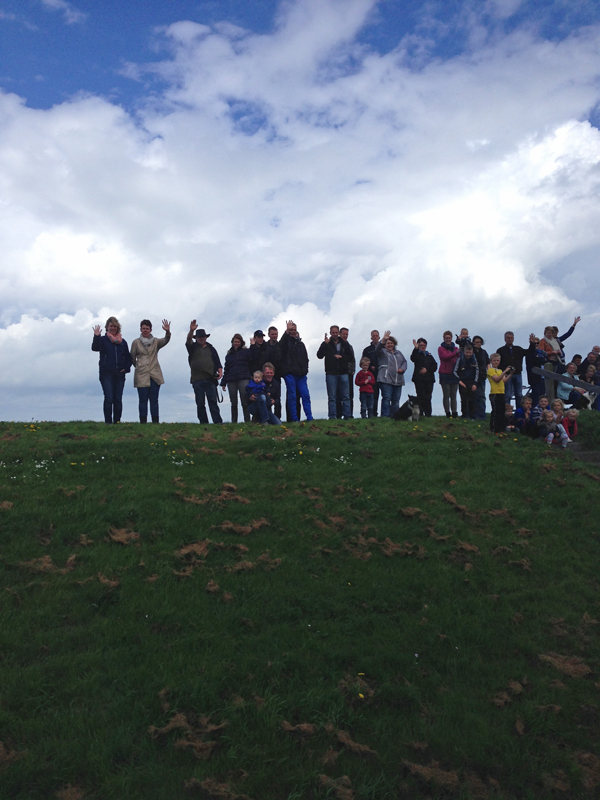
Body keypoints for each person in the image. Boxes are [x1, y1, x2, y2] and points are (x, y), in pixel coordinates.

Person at [92, 316, 132, 424]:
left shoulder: (123, 342)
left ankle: (117, 422)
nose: (113, 328)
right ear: (107, 327)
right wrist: (96, 336)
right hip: (106, 373)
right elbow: (95, 348)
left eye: (115, 326)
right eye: (111, 326)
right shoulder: (103, 340)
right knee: (109, 398)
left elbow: (128, 357)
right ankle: (108, 423)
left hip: (120, 373)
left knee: (118, 399)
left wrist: (127, 368)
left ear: (118, 327)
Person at [130, 319, 171, 423]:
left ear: (150, 330)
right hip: (141, 375)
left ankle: (155, 422)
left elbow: (166, 340)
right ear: (140, 329)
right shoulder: (136, 342)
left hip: (154, 374)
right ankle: (143, 422)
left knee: (154, 400)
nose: (145, 330)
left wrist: (167, 331)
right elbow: (132, 357)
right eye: (143, 328)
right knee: (142, 400)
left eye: (147, 329)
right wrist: (138, 366)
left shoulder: (156, 342)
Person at [186, 322, 223, 424]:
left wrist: (220, 371)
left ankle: (218, 422)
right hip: (197, 379)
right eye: (199, 337)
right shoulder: (192, 347)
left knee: (213, 402)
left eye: (203, 337)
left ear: (206, 337)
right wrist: (191, 330)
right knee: (200, 403)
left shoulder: (211, 348)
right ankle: (203, 422)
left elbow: (217, 362)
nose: (201, 338)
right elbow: (188, 340)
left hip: (210, 378)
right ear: (196, 338)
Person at [538, 316, 580, 399]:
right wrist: (553, 352)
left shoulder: (556, 341)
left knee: (559, 379)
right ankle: (551, 396)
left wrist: (574, 325)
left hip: (559, 361)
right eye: (549, 333)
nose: (550, 334)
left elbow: (567, 335)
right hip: (550, 362)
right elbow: (541, 351)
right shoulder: (543, 341)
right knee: (551, 380)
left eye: (551, 333)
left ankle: (559, 396)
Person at [279, 320, 313, 421]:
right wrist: (286, 331)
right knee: (292, 397)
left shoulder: (300, 344)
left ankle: (309, 418)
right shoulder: (286, 342)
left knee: (305, 396)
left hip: (301, 375)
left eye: (294, 330)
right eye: (291, 330)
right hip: (290, 374)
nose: (293, 331)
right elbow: (280, 345)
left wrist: (305, 370)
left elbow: (305, 359)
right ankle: (294, 419)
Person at [317, 325, 353, 420]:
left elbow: (350, 357)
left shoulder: (345, 344)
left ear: (339, 333)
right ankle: (332, 417)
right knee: (332, 397)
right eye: (333, 332)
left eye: (336, 332)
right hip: (331, 373)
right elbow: (319, 355)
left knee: (346, 396)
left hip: (343, 372)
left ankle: (347, 416)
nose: (335, 334)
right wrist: (324, 344)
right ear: (330, 333)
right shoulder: (327, 343)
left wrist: (342, 357)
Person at [496, 331, 536, 409]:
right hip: (507, 375)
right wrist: (502, 373)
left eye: (511, 338)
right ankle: (507, 411)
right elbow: (498, 363)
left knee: (519, 394)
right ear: (505, 339)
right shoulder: (500, 350)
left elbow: (528, 352)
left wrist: (532, 344)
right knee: (507, 394)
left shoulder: (518, 349)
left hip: (517, 374)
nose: (510, 339)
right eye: (508, 338)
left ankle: (519, 411)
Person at [221, 334, 252, 423]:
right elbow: (226, 369)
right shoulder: (229, 355)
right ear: (232, 342)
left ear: (241, 342)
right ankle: (234, 422)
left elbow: (252, 361)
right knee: (233, 403)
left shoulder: (246, 352)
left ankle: (247, 421)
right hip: (231, 380)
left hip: (244, 379)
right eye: (235, 342)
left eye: (238, 342)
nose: (236, 343)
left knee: (245, 402)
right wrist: (223, 382)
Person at [376, 331, 408, 417]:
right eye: (388, 343)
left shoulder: (399, 353)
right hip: (385, 379)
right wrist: (383, 340)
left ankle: (395, 416)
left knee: (396, 400)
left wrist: (402, 368)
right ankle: (385, 416)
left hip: (398, 380)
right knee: (386, 398)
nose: (390, 345)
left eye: (391, 343)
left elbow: (404, 362)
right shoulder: (382, 352)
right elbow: (377, 349)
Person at [410, 338, 437, 417]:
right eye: (421, 345)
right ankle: (420, 413)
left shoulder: (429, 355)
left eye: (424, 345)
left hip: (429, 379)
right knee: (420, 396)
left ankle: (428, 414)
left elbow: (435, 366)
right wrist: (415, 348)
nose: (423, 347)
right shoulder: (416, 354)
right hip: (419, 379)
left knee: (428, 397)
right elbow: (413, 358)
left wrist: (427, 369)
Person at [453, 343, 479, 420]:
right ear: (464, 352)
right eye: (467, 352)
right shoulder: (460, 360)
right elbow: (454, 371)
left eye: (470, 352)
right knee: (463, 399)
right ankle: (464, 415)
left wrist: (475, 383)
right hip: (462, 382)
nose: (468, 354)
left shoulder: (474, 360)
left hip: (472, 382)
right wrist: (459, 381)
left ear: (472, 352)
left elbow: (477, 371)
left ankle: (472, 416)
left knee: (472, 400)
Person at [487, 353, 512, 433]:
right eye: (494, 361)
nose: (496, 362)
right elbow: (497, 379)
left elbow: (504, 380)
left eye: (498, 360)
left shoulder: (500, 370)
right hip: (495, 393)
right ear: (491, 361)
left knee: (501, 411)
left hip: (501, 393)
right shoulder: (490, 370)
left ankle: (501, 429)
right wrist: (505, 371)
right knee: (496, 411)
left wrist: (511, 373)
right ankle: (494, 429)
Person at [438, 331, 460, 418]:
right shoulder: (441, 348)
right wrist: (456, 354)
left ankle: (454, 412)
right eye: (446, 338)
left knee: (454, 395)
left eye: (449, 338)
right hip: (445, 373)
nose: (448, 339)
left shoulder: (456, 348)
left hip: (454, 373)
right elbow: (444, 357)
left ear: (451, 338)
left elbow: (459, 358)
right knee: (446, 394)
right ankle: (447, 412)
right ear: (444, 339)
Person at [362, 330, 381, 416]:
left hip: (383, 374)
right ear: (371, 338)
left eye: (377, 336)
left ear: (379, 337)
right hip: (372, 375)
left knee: (385, 396)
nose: (375, 337)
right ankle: (373, 413)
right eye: (373, 336)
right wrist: (370, 367)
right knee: (374, 395)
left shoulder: (383, 348)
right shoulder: (367, 350)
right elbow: (363, 362)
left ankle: (386, 414)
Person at [472, 336, 489, 420]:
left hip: (482, 376)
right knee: (474, 396)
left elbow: (487, 363)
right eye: (476, 342)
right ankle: (473, 415)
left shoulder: (484, 352)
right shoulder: (472, 351)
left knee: (481, 396)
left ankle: (482, 415)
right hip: (472, 376)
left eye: (479, 342)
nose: (478, 344)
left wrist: (489, 372)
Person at [340, 327, 356, 417]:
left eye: (346, 334)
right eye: (344, 334)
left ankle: (349, 414)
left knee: (349, 395)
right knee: (339, 395)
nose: (345, 336)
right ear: (340, 334)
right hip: (338, 373)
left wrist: (352, 370)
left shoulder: (349, 347)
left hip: (348, 373)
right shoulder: (337, 345)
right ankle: (338, 415)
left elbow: (352, 360)